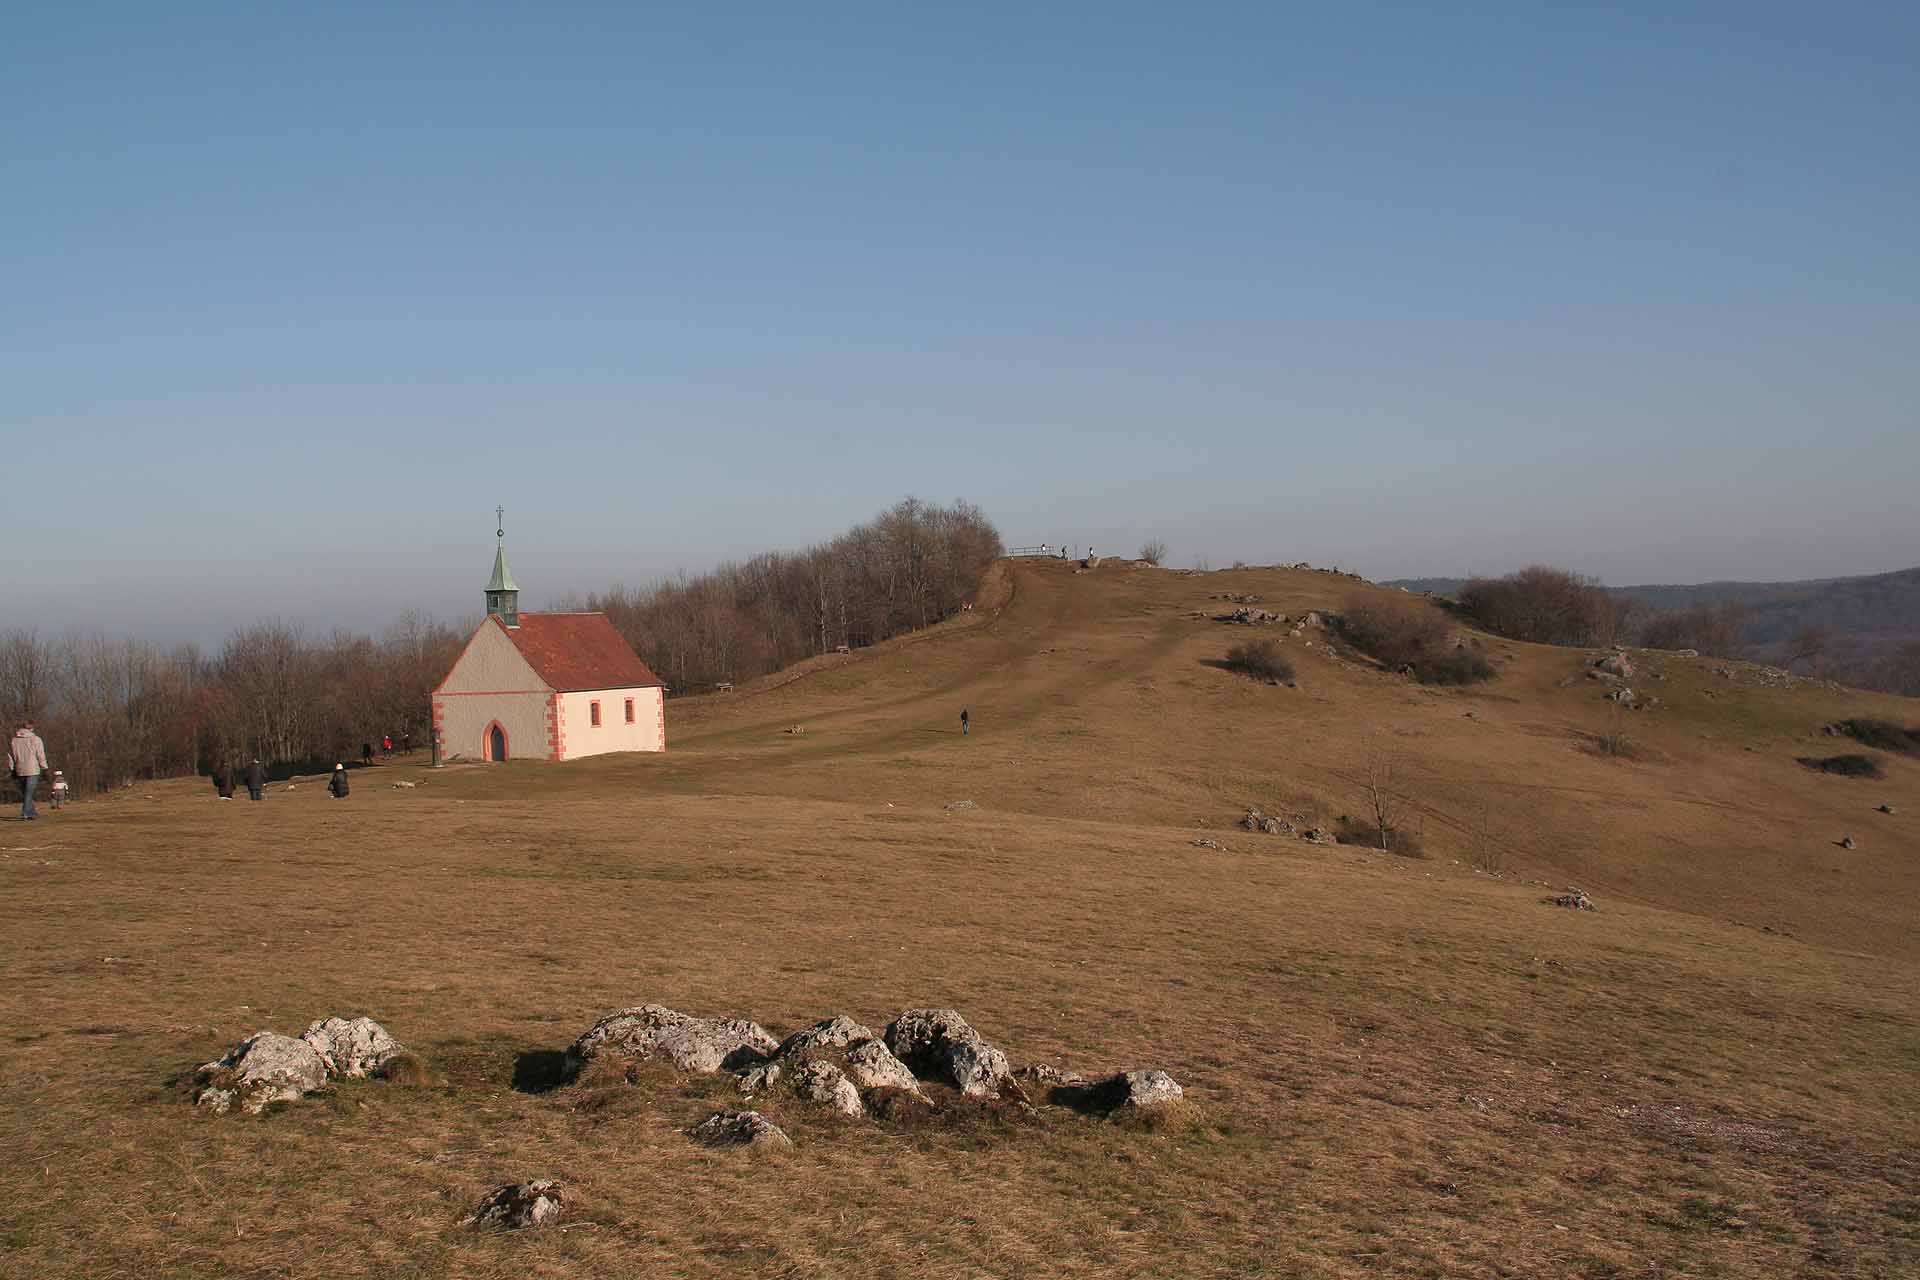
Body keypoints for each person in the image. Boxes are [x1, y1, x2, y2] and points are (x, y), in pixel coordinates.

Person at [9, 721, 48, 820]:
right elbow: (40, 754)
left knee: (26, 792)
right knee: (29, 792)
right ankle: (26, 813)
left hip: (19, 768)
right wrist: (44, 767)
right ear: (31, 728)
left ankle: (31, 812)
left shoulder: (14, 740)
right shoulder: (35, 739)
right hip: (32, 769)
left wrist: (12, 768)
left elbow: (10, 756)